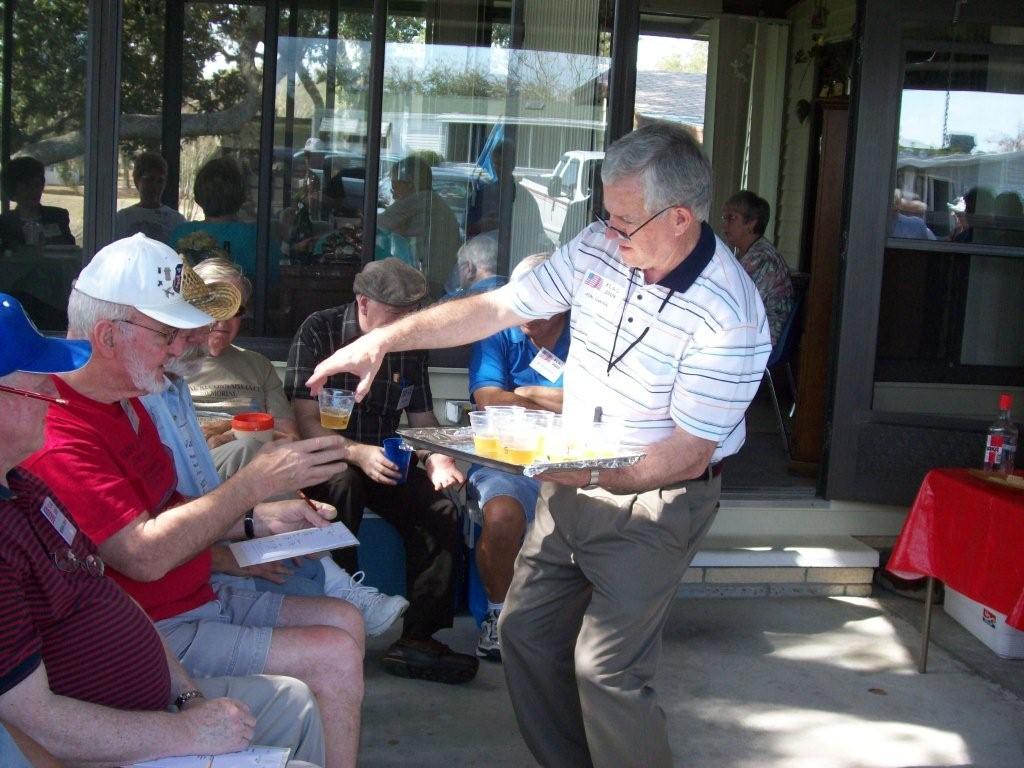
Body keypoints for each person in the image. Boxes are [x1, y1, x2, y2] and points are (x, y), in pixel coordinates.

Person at [304, 123, 770, 767]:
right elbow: (499, 307)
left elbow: (688, 452)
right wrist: (382, 341)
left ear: (681, 218)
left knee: (607, 671)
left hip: (655, 498)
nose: (608, 233)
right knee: (525, 633)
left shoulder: (730, 315)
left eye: (623, 221)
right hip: (574, 476)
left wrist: (599, 477)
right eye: (604, 215)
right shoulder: (601, 247)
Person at [21, 235, 363, 768]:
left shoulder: (126, 402)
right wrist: (251, 486)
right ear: (109, 336)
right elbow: (143, 554)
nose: (182, 347)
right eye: (166, 334)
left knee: (345, 623)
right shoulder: (57, 430)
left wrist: (257, 521)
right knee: (334, 653)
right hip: (158, 627)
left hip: (195, 598)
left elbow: (172, 506)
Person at [140, 256, 409, 637]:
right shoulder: (166, 370)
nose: (218, 324)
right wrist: (234, 434)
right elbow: (172, 445)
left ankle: (326, 577)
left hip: (246, 480)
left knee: (324, 472)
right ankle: (339, 581)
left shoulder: (255, 365)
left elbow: (289, 438)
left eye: (232, 312)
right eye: (207, 313)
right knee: (258, 452)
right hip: (202, 477)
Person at [287, 257, 479, 685]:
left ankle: (419, 637)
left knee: (441, 509)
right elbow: (305, 423)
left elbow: (422, 419)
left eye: (412, 315)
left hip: (388, 457)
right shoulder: (319, 331)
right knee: (342, 487)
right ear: (363, 303)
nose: (405, 324)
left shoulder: (408, 343)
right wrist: (357, 453)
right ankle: (338, 623)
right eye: (397, 315)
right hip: (331, 456)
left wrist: (438, 458)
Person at [467, 253, 570, 661]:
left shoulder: (590, 333)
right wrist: (556, 403)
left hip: (569, 459)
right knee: (502, 516)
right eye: (520, 302)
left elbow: (598, 404)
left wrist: (524, 395)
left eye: (538, 305)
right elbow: (487, 399)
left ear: (563, 302)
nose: (524, 315)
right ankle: (497, 616)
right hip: (504, 458)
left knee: (594, 524)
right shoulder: (499, 329)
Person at [170, 155, 277, 282]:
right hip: (241, 300)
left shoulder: (180, 234)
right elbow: (275, 281)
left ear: (198, 198)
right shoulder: (257, 237)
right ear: (242, 197)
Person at [377, 154, 462, 296]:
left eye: (395, 186)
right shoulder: (433, 200)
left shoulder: (417, 200)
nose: (393, 193)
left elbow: (377, 224)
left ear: (410, 183)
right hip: (442, 279)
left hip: (428, 281)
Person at [720, 190, 794, 347]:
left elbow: (737, 305)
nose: (725, 225)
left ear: (751, 223)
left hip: (763, 336)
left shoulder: (761, 259)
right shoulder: (746, 254)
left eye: (731, 218)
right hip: (749, 328)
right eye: (724, 218)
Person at [0, 156, 75, 249]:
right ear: (13, 189)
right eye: (27, 186)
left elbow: (70, 250)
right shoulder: (3, 223)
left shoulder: (58, 216)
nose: (34, 191)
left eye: (38, 184)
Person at [115, 151, 187, 242]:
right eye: (149, 180)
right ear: (137, 181)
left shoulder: (176, 220)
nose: (155, 186)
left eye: (160, 181)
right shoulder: (123, 218)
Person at [444, 233, 506, 299]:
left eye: (460, 268)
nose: (458, 275)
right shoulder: (512, 290)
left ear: (469, 268)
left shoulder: (463, 301)